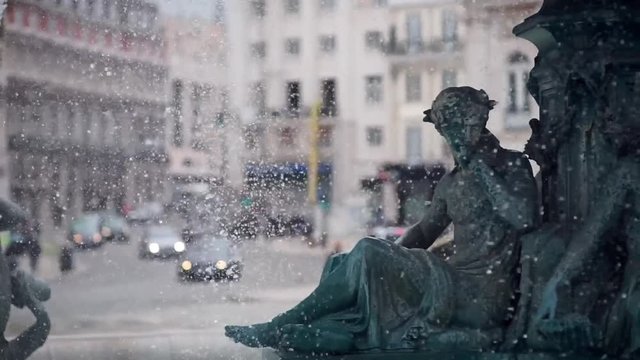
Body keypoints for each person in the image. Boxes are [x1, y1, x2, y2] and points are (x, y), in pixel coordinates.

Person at [225, 87, 538, 353]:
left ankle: (282, 325)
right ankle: (334, 334)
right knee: (345, 262)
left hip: (481, 295)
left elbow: (524, 217)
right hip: (451, 282)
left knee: (368, 254)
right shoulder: (450, 183)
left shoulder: (511, 165)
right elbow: (424, 231)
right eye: (445, 131)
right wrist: (388, 258)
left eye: (456, 129)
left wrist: (482, 169)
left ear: (475, 125)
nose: (451, 139)